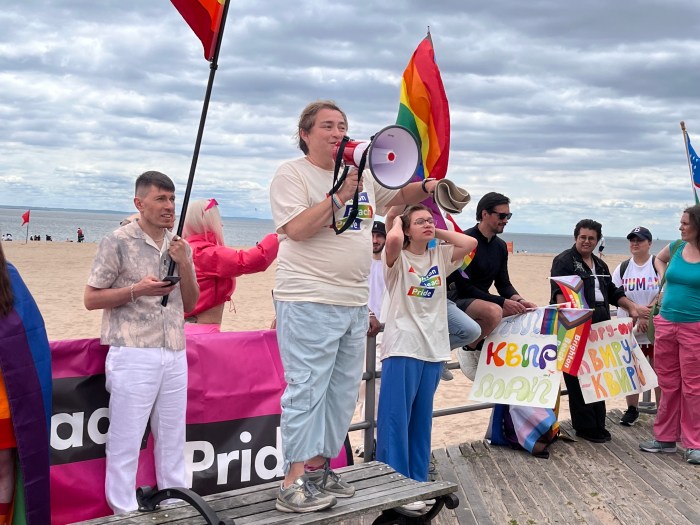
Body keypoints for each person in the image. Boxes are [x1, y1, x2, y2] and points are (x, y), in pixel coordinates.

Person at [269, 100, 442, 513]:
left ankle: (318, 470)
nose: (337, 133)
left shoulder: (360, 175)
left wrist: (430, 187)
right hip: (308, 297)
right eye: (327, 126)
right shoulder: (291, 174)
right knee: (307, 390)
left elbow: (397, 194)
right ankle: (292, 482)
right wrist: (338, 195)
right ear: (305, 134)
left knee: (342, 394)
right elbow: (296, 229)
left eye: (342, 126)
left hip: (351, 301)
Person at [84, 170, 199, 514]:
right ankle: (123, 510)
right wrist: (138, 290)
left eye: (172, 199)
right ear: (140, 203)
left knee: (173, 438)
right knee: (126, 439)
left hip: (174, 349)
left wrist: (187, 263)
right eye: (161, 199)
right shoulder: (117, 240)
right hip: (132, 351)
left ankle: (176, 502)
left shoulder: (178, 244)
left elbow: (191, 304)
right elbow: (91, 298)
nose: (169, 206)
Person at [376, 205, 475, 511]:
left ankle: (417, 480)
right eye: (419, 222)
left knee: (420, 420)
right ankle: (395, 485)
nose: (427, 225)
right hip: (403, 345)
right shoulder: (397, 258)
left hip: (432, 349)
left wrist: (434, 230)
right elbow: (392, 242)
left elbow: (469, 244)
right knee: (395, 420)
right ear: (406, 230)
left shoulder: (438, 257)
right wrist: (394, 220)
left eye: (429, 221)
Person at [550, 219, 638, 444]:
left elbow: (612, 290)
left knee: (598, 375)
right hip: (575, 325)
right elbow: (561, 296)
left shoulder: (600, 265)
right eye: (583, 237)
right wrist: (574, 325)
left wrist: (630, 306)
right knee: (577, 378)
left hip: (601, 324)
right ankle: (585, 427)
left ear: (598, 240)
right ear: (576, 238)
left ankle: (598, 423)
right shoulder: (564, 261)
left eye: (591, 238)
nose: (587, 241)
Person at [447, 192, 537, 380]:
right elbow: (464, 286)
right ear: (485, 214)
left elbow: (503, 283)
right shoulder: (465, 241)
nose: (506, 220)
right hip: (457, 297)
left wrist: (520, 301)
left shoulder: (500, 246)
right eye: (502, 216)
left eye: (508, 216)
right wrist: (502, 302)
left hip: (481, 299)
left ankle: (489, 349)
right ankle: (469, 347)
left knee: (523, 312)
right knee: (495, 311)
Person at [639, 205, 700, 464]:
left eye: (685, 223)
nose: (680, 227)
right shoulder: (675, 247)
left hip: (694, 327)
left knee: (693, 387)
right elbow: (658, 260)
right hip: (666, 324)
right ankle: (665, 438)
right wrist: (663, 282)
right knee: (668, 383)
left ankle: (694, 443)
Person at [0, 240, 52, 525]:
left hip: (5, 402)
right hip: (5, 401)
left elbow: (29, 334)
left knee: (4, 469)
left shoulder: (8, 275)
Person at [182, 198, 279, 333]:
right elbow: (248, 261)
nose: (221, 224)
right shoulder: (205, 253)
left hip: (192, 326)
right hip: (201, 330)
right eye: (217, 220)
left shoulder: (189, 248)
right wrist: (278, 236)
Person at [611, 226, 660, 426]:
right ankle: (632, 409)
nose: (635, 243)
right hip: (629, 328)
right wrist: (635, 314)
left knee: (659, 372)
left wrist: (646, 315)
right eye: (632, 239)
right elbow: (615, 294)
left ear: (649, 243)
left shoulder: (657, 264)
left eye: (640, 240)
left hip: (654, 329)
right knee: (631, 372)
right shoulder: (623, 268)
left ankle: (663, 412)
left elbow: (664, 291)